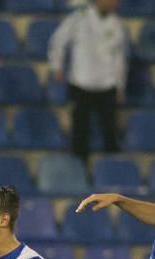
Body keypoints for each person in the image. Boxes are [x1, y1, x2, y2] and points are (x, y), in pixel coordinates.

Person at [48, 0, 128, 162]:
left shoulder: (117, 24)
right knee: (79, 133)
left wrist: (120, 85)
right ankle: (80, 171)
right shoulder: (78, 19)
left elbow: (120, 58)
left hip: (107, 85)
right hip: (81, 83)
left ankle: (110, 170)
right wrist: (56, 65)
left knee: (110, 133)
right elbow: (58, 40)